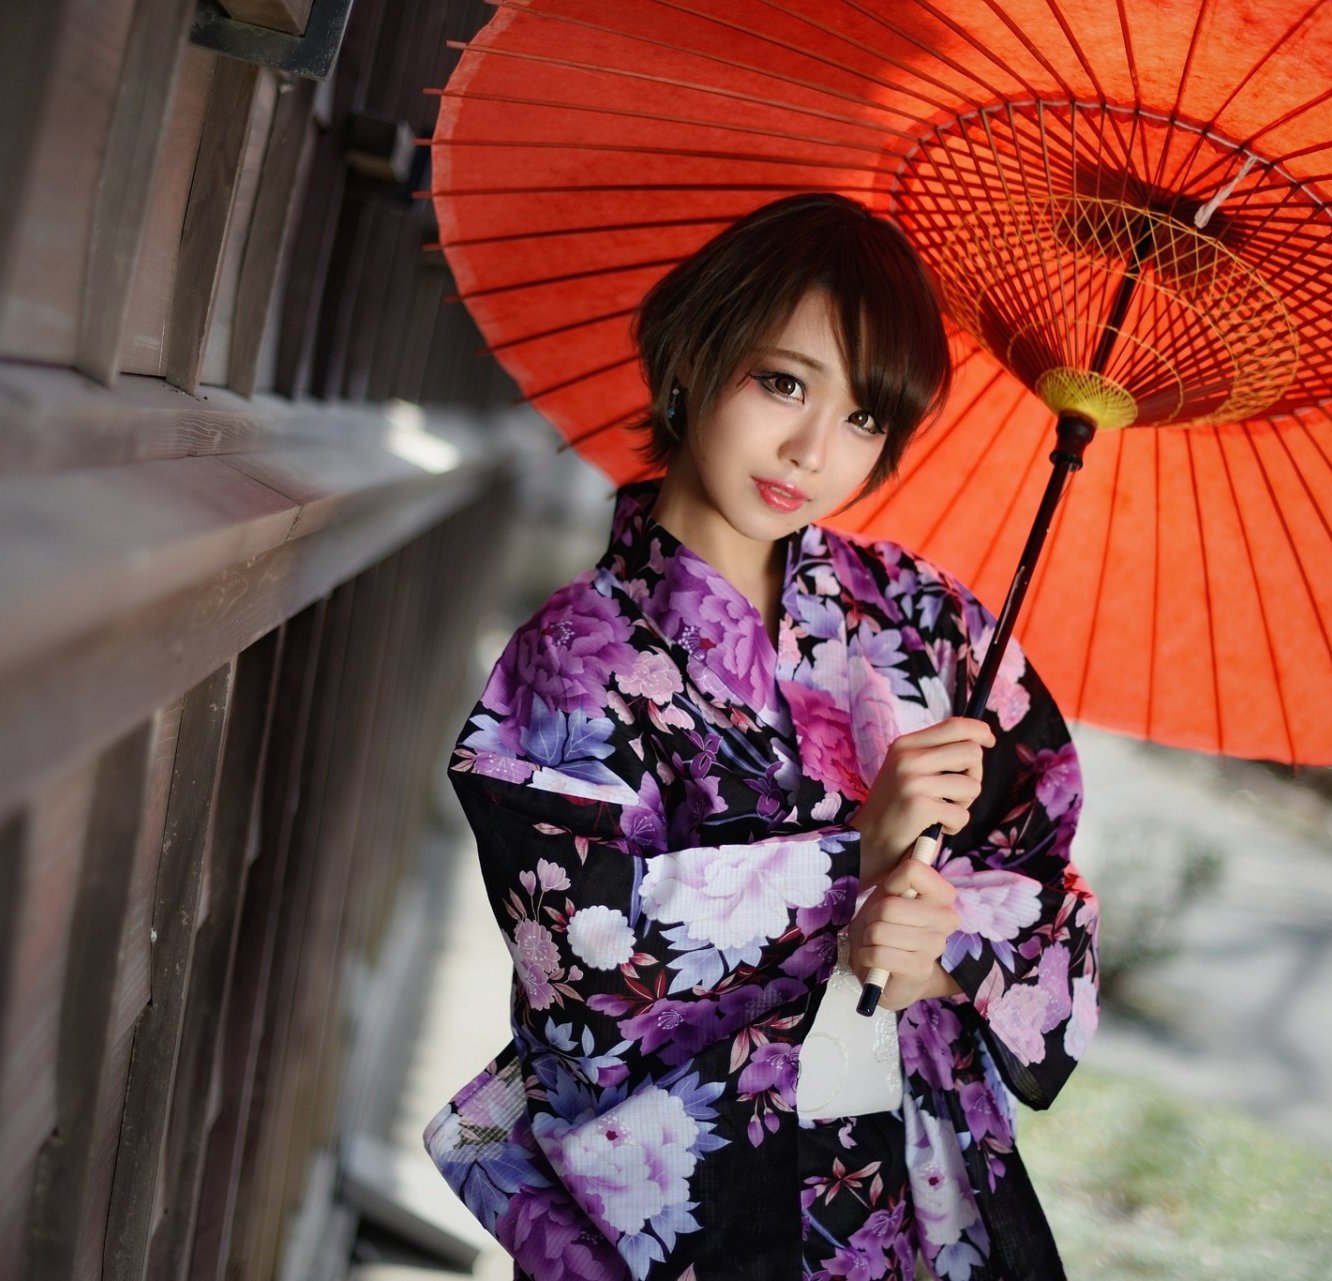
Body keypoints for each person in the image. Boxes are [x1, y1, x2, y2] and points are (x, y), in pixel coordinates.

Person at [423, 192, 1099, 1281]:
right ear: (695, 354)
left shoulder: (928, 623)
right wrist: (856, 865)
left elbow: (1046, 892)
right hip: (691, 1213)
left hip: (912, 1184)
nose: (810, 450)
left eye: (864, 418)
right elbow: (586, 978)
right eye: (782, 383)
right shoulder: (579, 658)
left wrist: (938, 954)